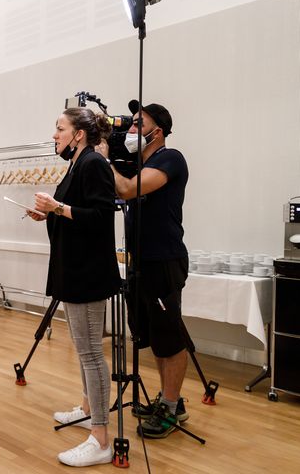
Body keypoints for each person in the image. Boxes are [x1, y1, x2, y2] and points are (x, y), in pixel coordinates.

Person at [28, 108, 121, 467]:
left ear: (79, 134)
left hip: (89, 272)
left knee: (91, 354)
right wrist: (49, 212)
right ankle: (86, 408)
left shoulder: (94, 164)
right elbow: (75, 210)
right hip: (73, 269)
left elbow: (100, 217)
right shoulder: (77, 163)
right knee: (84, 349)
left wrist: (58, 207)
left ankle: (100, 437)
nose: (55, 134)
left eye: (60, 128)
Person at [104, 101, 190, 439]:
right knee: (154, 337)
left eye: (139, 124)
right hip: (141, 263)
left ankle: (170, 408)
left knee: (170, 336)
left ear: (159, 131)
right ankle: (172, 400)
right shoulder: (137, 166)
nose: (131, 130)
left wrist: (105, 158)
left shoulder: (170, 158)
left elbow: (125, 190)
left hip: (164, 260)